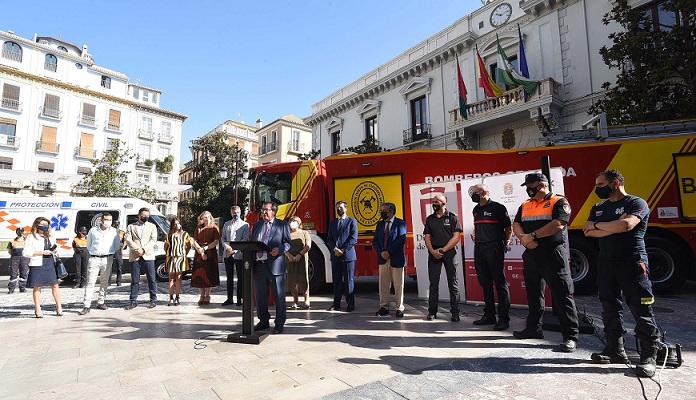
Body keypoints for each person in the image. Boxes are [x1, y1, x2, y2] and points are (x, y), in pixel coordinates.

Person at [583, 169, 660, 377]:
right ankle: (615, 350)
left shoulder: (636, 203)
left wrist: (601, 226)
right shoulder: (599, 207)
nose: (596, 189)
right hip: (606, 262)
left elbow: (627, 225)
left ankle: (648, 357)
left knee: (641, 308)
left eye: (600, 185)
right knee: (609, 306)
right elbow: (587, 231)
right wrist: (611, 226)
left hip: (632, 262)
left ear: (615, 183)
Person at [512, 172, 579, 352]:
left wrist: (533, 235)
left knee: (562, 295)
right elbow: (516, 223)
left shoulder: (559, 201)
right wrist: (525, 239)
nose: (528, 190)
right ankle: (533, 329)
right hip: (531, 253)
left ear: (542, 185)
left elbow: (559, 223)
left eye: (531, 186)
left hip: (552, 253)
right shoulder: (525, 204)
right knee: (534, 294)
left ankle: (570, 336)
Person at [469, 184, 513, 330]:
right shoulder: (476, 209)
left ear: (483, 192)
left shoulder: (498, 208)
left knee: (500, 283)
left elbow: (508, 228)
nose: (472, 195)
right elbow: (478, 227)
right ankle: (489, 315)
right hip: (479, 248)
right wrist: (476, 234)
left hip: (494, 248)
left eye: (474, 192)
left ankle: (503, 319)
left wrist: (506, 242)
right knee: (485, 283)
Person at [250, 202, 291, 333]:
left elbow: (288, 243)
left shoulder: (282, 224)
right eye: (263, 210)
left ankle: (279, 323)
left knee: (278, 296)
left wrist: (279, 249)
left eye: (267, 210)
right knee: (260, 296)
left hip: (275, 266)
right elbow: (252, 243)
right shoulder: (256, 225)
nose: (264, 213)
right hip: (259, 265)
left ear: (274, 211)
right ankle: (263, 321)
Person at [424, 193, 463, 322]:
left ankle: (455, 313)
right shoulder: (430, 219)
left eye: (437, 201)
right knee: (433, 284)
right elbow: (427, 237)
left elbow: (456, 237)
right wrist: (432, 251)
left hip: (449, 253)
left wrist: (443, 250)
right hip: (433, 253)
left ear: (444, 202)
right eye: (433, 201)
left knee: (453, 284)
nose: (434, 203)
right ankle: (432, 312)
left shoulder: (452, 217)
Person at [78, 213, 121, 315]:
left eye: (110, 220)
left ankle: (101, 301)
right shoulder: (93, 230)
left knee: (104, 281)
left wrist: (109, 253)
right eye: (106, 219)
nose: (108, 222)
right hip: (94, 258)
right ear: (101, 220)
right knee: (90, 282)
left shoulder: (114, 232)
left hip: (108, 258)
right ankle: (86, 305)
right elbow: (89, 245)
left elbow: (116, 246)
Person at [23, 217, 63, 318]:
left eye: (47, 224)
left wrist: (55, 251)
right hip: (37, 263)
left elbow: (54, 247)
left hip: (49, 262)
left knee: (55, 285)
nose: (45, 226)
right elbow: (26, 252)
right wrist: (41, 252)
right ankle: (37, 309)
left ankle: (59, 307)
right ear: (37, 225)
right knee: (37, 286)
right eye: (43, 224)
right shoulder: (31, 237)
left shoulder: (50, 236)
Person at [373, 202, 407, 318]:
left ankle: (399, 308)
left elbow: (401, 239)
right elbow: (375, 240)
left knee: (398, 284)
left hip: (396, 258)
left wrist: (389, 252)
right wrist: (381, 252)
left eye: (384, 211)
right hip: (383, 259)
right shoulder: (380, 224)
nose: (382, 213)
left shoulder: (400, 223)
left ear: (391, 211)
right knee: (383, 284)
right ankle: (384, 307)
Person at [326, 201, 358, 312]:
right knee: (337, 281)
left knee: (349, 281)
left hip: (348, 256)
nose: (339, 209)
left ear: (346, 208)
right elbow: (329, 239)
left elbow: (353, 238)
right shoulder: (333, 222)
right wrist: (334, 249)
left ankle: (350, 304)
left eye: (340, 207)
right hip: (335, 256)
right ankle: (336, 304)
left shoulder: (351, 221)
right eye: (337, 207)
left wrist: (343, 250)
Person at [125, 207, 158, 310]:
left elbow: (153, 240)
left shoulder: (152, 226)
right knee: (135, 280)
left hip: (148, 255)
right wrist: (137, 249)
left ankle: (153, 299)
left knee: (151, 279)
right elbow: (128, 239)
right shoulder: (131, 226)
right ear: (139, 215)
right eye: (144, 215)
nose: (146, 217)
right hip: (135, 255)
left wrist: (143, 249)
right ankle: (133, 301)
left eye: (147, 215)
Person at [221, 206, 249, 306]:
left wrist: (234, 249)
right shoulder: (226, 224)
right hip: (228, 253)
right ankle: (229, 298)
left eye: (237, 212)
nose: (235, 214)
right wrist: (227, 247)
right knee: (229, 277)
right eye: (233, 212)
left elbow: (245, 239)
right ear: (231, 213)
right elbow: (223, 238)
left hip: (238, 254)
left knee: (240, 277)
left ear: (240, 212)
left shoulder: (245, 225)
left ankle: (239, 299)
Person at [191, 211, 220, 305]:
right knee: (200, 275)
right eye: (204, 217)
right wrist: (199, 249)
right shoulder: (198, 228)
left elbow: (216, 241)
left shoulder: (214, 227)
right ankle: (201, 295)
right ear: (201, 218)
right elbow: (194, 240)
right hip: (199, 252)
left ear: (210, 217)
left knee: (209, 275)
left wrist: (206, 248)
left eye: (208, 217)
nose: (206, 219)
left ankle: (207, 295)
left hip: (210, 252)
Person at [164, 216, 193, 306]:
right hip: (171, 258)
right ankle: (171, 297)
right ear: (172, 225)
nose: (177, 225)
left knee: (178, 278)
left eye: (178, 223)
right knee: (171, 278)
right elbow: (165, 247)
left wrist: (185, 253)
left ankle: (177, 297)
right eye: (175, 223)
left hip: (180, 258)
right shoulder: (168, 234)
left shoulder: (185, 234)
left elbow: (188, 245)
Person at [286, 216, 312, 309]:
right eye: (291, 221)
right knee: (292, 280)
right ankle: (295, 301)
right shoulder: (287, 234)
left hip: (301, 259)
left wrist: (299, 255)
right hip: (290, 260)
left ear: (299, 223)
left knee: (303, 278)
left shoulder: (305, 233)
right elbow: (283, 245)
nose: (292, 223)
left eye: (294, 221)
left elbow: (308, 245)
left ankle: (306, 300)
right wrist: (289, 255)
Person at [7, 228, 29, 294]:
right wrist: (14, 256)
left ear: (23, 232)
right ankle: (11, 289)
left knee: (24, 273)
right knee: (13, 274)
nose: (20, 233)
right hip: (14, 259)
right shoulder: (12, 241)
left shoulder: (27, 241)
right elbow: (9, 251)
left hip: (24, 258)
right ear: (16, 232)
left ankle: (22, 288)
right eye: (19, 231)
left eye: (21, 231)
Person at [110, 220, 126, 286]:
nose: (116, 225)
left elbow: (124, 241)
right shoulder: (109, 232)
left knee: (119, 266)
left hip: (118, 250)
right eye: (115, 224)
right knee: (109, 267)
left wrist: (122, 247)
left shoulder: (121, 232)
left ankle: (119, 281)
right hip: (110, 250)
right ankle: (108, 282)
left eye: (117, 224)